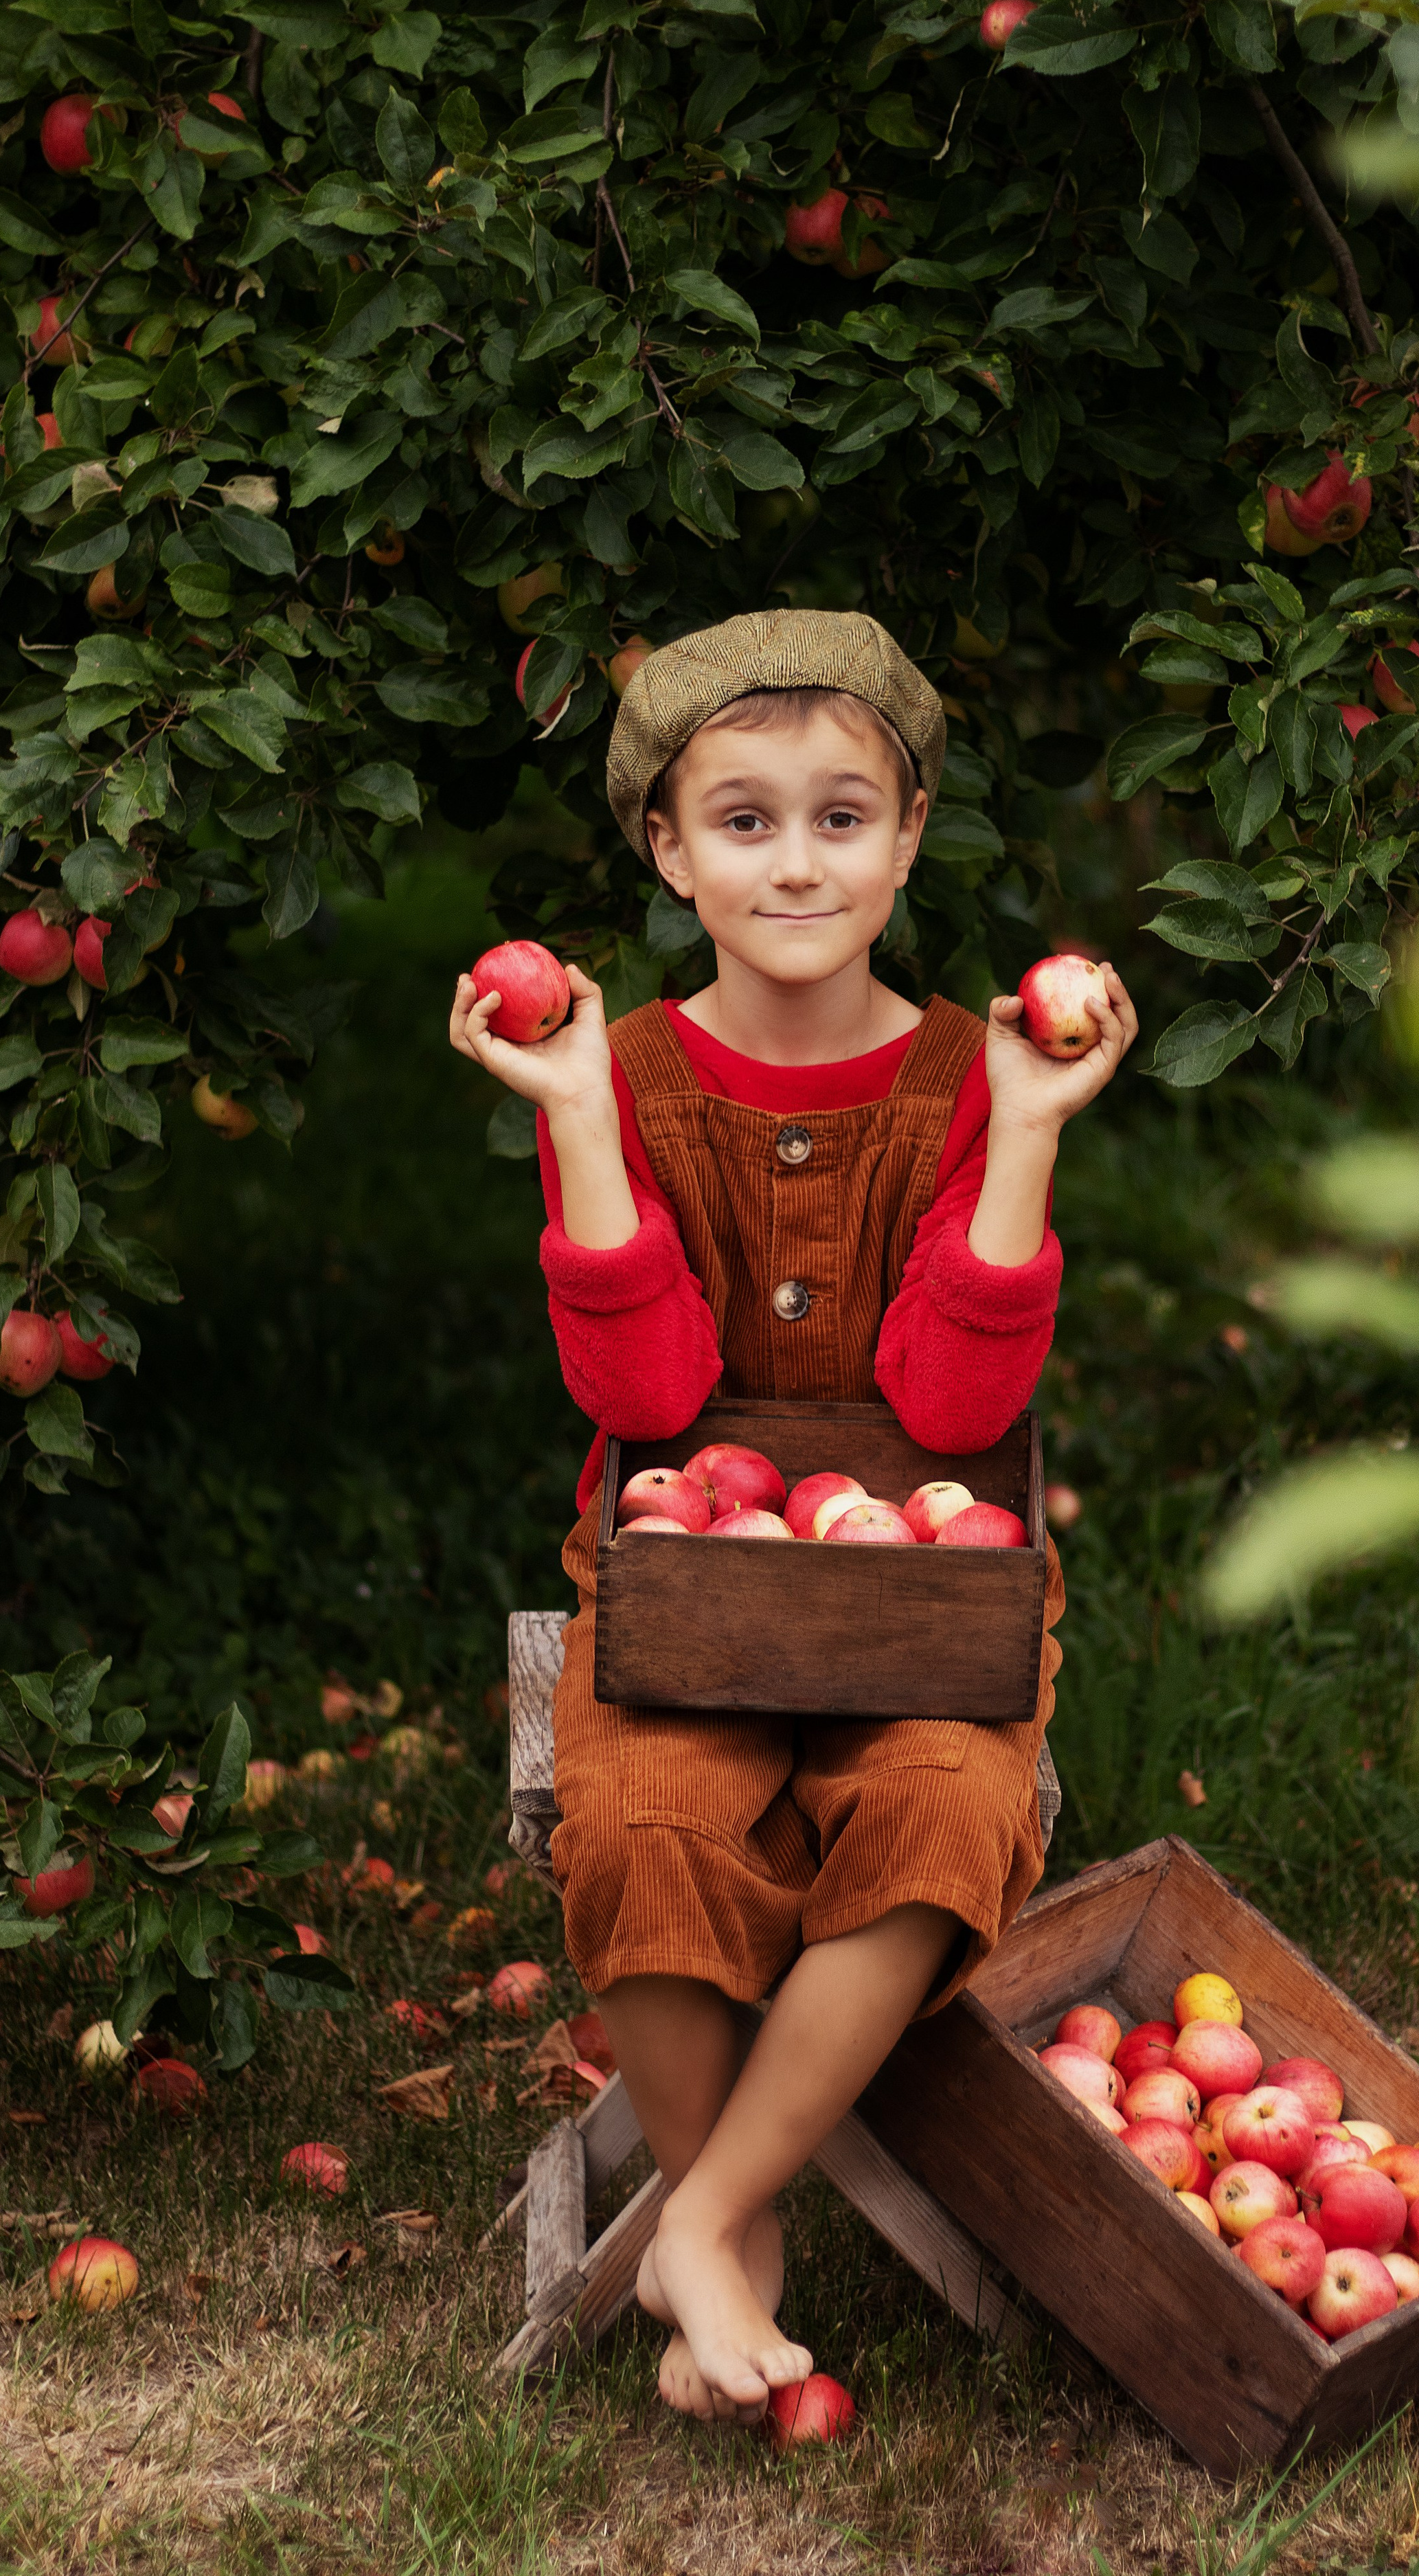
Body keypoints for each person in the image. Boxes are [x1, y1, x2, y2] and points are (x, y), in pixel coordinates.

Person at [449, 611, 1136, 2426]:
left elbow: (954, 1411)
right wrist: (580, 1122)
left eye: (844, 816)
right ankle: (736, 2265)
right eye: (743, 821)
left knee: (952, 1798)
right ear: (667, 852)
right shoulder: (639, 1077)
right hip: (683, 1571)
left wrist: (1036, 1131)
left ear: (911, 834)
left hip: (930, 1583)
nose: (799, 861)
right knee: (642, 1816)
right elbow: (645, 1399)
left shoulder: (969, 1082)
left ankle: (713, 2212)